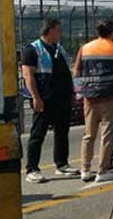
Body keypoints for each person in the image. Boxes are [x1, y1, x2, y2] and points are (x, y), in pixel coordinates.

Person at [21, 19, 79, 183]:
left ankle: (62, 164)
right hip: (45, 98)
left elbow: (66, 73)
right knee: (38, 133)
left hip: (62, 97)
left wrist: (72, 93)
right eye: (59, 30)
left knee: (62, 131)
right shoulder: (33, 50)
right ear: (50, 30)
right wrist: (35, 97)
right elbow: (28, 76)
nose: (61, 34)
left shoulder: (58, 48)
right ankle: (32, 168)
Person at [74, 19, 113, 182]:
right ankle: (102, 170)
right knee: (107, 134)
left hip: (90, 97)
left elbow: (77, 69)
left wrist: (79, 92)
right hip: (110, 97)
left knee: (89, 134)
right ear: (112, 32)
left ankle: (85, 169)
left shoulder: (85, 48)